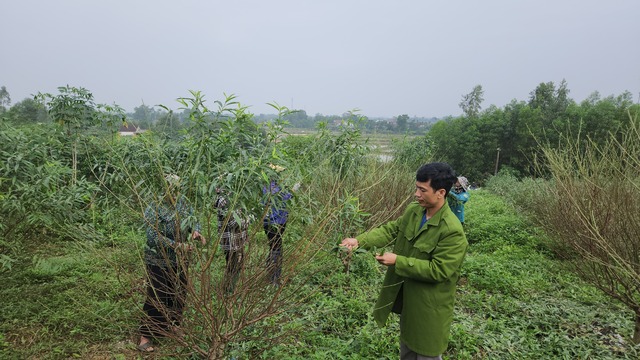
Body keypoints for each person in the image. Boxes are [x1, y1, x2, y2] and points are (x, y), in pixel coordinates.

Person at [341, 162, 468, 360]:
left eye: (422, 189)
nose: (416, 194)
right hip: (409, 299)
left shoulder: (451, 230)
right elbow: (391, 230)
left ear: (440, 192)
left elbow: (439, 271)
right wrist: (359, 241)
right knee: (407, 347)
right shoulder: (415, 211)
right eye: (416, 188)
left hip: (430, 306)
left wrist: (398, 261)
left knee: (427, 350)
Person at [137, 174, 206, 353]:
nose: (174, 193)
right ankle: (145, 335)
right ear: (165, 189)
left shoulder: (183, 203)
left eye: (177, 189)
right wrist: (177, 246)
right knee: (157, 294)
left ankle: (174, 325)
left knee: (179, 293)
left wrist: (195, 232)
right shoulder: (155, 206)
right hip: (158, 259)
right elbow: (152, 237)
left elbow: (193, 219)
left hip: (180, 261)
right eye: (171, 189)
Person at [262, 164, 298, 286]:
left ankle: (270, 273)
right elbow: (285, 199)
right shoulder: (276, 188)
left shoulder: (264, 186)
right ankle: (274, 278)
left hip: (267, 223)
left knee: (273, 247)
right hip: (277, 223)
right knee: (276, 249)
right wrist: (294, 190)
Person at [215, 190, 249, 294]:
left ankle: (231, 289)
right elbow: (233, 223)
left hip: (238, 239)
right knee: (233, 266)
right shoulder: (224, 201)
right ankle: (228, 292)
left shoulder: (235, 196)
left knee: (237, 264)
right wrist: (249, 219)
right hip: (231, 242)